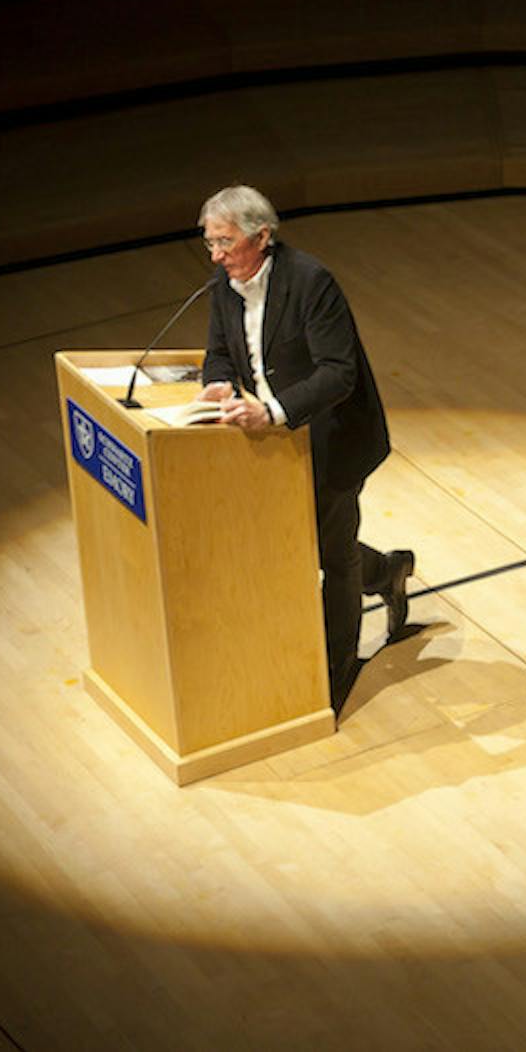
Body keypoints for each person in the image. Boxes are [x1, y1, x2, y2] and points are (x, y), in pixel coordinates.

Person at [194, 184, 414, 716]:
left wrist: (270, 411)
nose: (217, 255)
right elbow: (220, 352)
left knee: (332, 556)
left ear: (262, 236)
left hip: (332, 437)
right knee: (305, 545)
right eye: (210, 244)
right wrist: (219, 383)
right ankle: (387, 572)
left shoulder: (311, 282)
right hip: (271, 444)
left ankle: (334, 676)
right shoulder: (225, 286)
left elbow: (339, 373)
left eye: (225, 242)